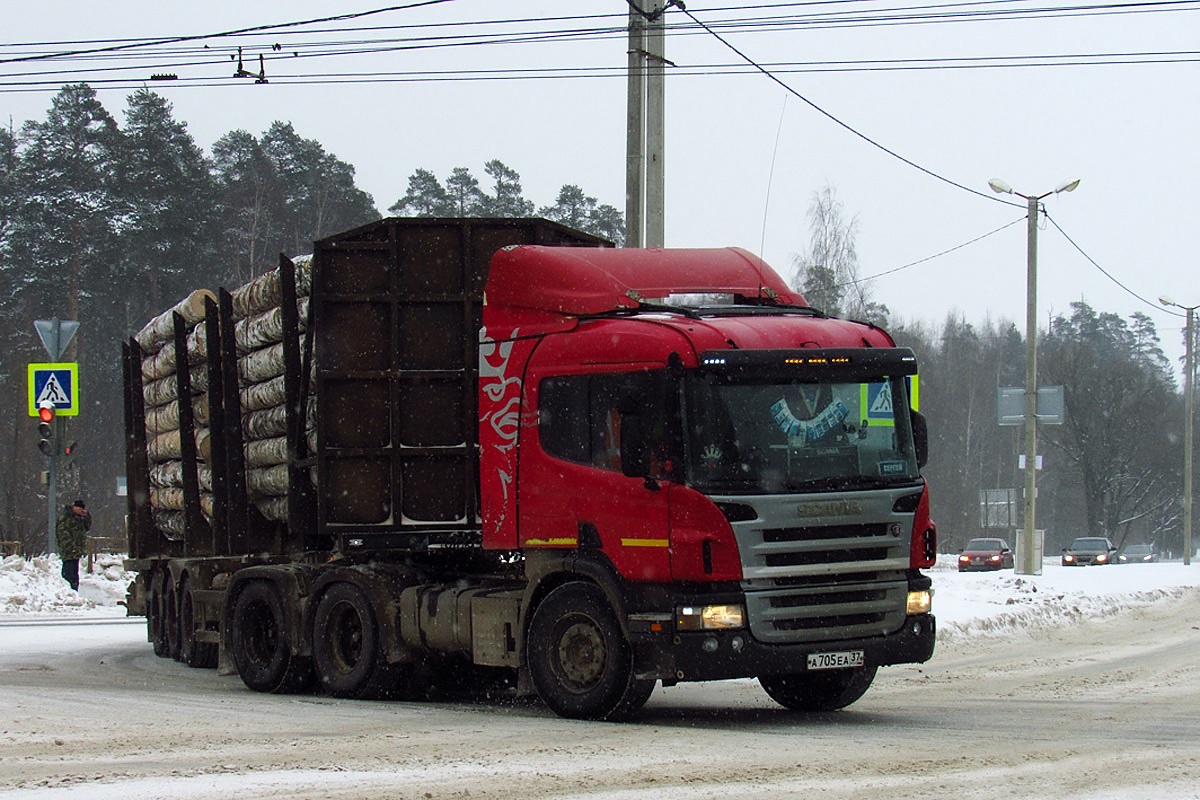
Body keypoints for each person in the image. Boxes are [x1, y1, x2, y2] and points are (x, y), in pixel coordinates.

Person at [56, 499, 91, 592]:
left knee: (74, 573)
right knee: (68, 572)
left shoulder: (79, 518)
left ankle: (74, 590)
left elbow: (87, 527)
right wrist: (70, 546)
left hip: (77, 550)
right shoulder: (66, 517)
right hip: (68, 550)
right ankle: (67, 590)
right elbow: (62, 533)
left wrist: (86, 516)